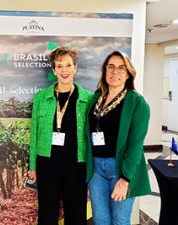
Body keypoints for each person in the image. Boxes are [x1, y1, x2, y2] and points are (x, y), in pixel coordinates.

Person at [85, 50, 151, 225]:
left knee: (120, 220)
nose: (115, 72)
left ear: (129, 73)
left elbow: (135, 144)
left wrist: (126, 179)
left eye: (121, 68)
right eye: (111, 67)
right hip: (96, 169)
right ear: (105, 70)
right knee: (100, 219)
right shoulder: (96, 98)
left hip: (120, 169)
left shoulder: (137, 103)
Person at [28, 46, 92, 225]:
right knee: (47, 212)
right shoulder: (41, 97)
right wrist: (33, 166)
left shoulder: (88, 98)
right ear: (53, 70)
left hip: (77, 164)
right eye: (59, 66)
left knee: (76, 212)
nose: (64, 70)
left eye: (68, 65)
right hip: (47, 163)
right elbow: (34, 134)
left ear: (75, 67)